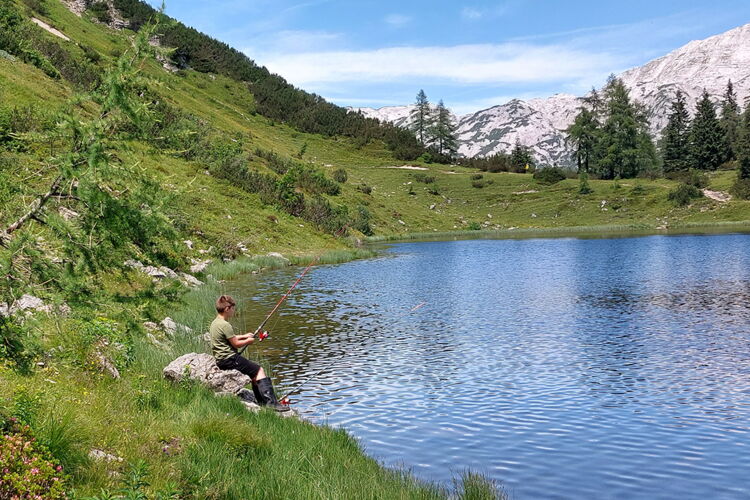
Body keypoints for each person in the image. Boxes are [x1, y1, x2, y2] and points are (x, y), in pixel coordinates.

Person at [210, 295, 290, 412]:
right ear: (227, 309)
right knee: (259, 370)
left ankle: (262, 402)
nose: (234, 311)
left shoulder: (215, 323)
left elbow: (229, 338)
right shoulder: (225, 325)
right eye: (233, 308)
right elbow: (236, 343)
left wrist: (244, 335)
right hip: (230, 359)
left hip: (221, 359)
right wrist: (249, 341)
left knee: (253, 373)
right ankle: (272, 404)